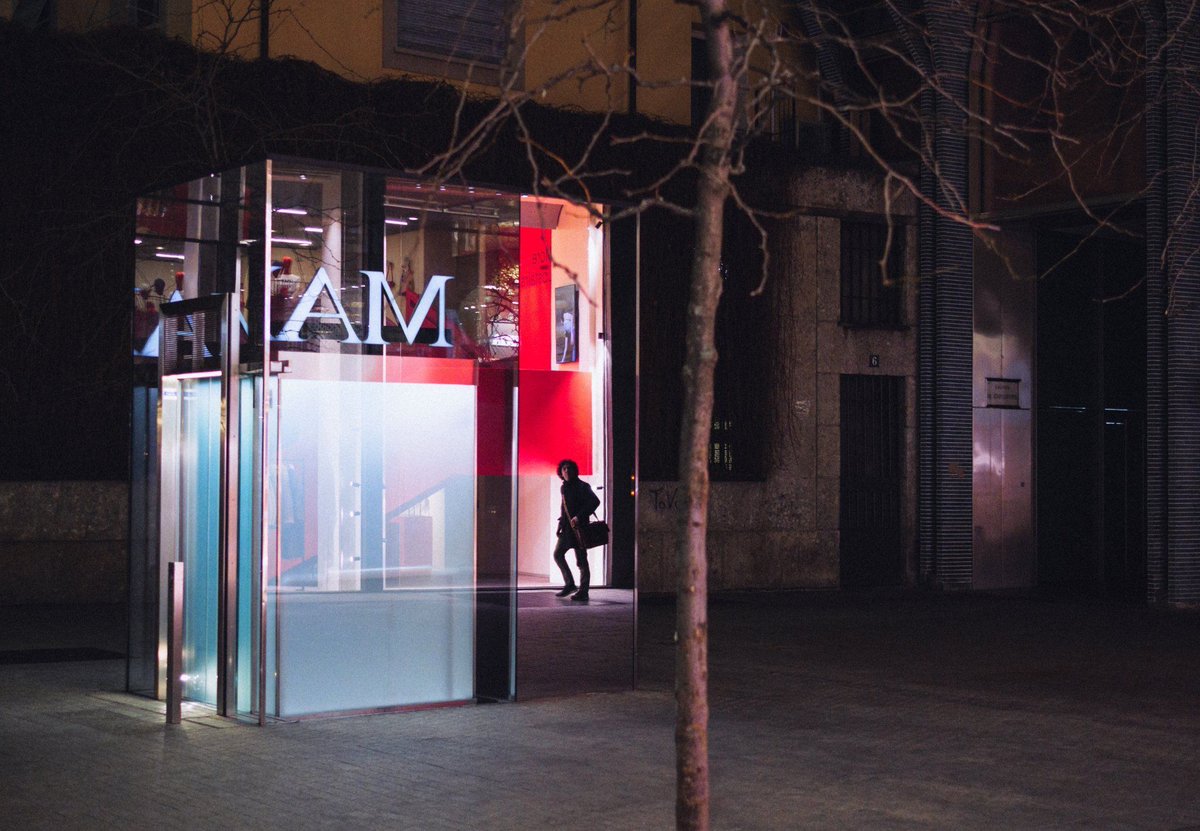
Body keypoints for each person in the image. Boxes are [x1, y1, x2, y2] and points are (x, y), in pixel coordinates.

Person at [553, 458, 600, 601]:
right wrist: (561, 524)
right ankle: (570, 584)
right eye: (564, 469)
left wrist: (579, 517)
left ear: (574, 471)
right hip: (567, 529)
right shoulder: (564, 487)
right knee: (558, 554)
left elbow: (595, 502)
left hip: (580, 528)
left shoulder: (582, 486)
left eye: (569, 468)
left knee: (581, 561)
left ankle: (583, 591)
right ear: (561, 473)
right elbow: (564, 508)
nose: (566, 471)